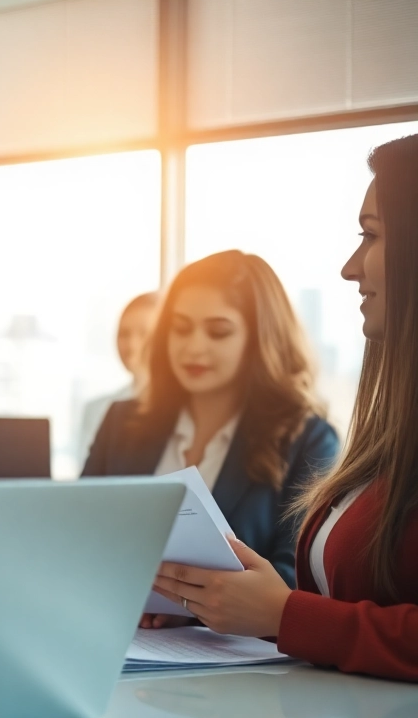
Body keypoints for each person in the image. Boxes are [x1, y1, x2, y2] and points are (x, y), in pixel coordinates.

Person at [154, 133, 418, 682]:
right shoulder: (389, 438)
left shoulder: (308, 435)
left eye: (371, 236)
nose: (351, 267)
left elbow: (309, 606)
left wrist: (283, 613)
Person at [83, 251, 339, 591]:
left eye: (218, 332)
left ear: (259, 340)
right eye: (181, 328)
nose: (193, 348)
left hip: (227, 641)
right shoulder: (121, 422)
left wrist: (188, 603)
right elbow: (82, 535)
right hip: (121, 627)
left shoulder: (308, 440)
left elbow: (297, 575)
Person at [77, 292, 158, 461]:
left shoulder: (189, 412)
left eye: (143, 333)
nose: (132, 345)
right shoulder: (98, 409)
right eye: (124, 334)